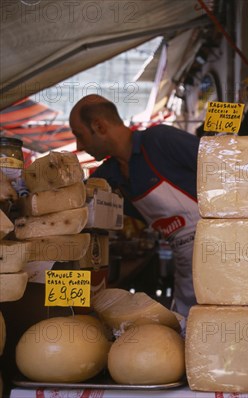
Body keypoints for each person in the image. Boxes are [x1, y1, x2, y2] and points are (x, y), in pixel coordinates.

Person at [69, 94, 200, 316]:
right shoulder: (111, 174)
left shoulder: (160, 140)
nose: (79, 146)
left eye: (79, 136)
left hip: (222, 254)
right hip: (185, 268)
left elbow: (223, 166)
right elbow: (76, 197)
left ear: (99, 126)